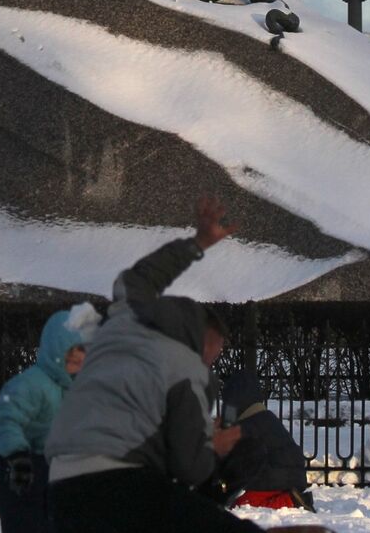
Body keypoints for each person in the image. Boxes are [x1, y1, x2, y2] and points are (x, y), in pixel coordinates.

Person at [45, 196, 329, 533]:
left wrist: (196, 244)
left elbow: (138, 278)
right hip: (119, 482)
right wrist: (217, 450)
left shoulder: (126, 323)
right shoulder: (184, 366)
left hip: (61, 482)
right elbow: (189, 468)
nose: (207, 363)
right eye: (209, 353)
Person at [0, 304, 97, 532]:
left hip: (50, 467)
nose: (79, 355)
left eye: (83, 349)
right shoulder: (32, 384)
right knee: (28, 524)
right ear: (56, 349)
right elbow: (5, 420)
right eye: (72, 349)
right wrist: (16, 454)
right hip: (16, 466)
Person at [214, 367, 315, 512]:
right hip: (290, 475)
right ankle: (289, 497)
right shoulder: (264, 417)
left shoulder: (248, 424)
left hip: (275, 477)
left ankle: (291, 501)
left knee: (242, 505)